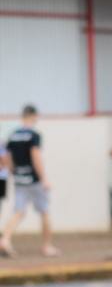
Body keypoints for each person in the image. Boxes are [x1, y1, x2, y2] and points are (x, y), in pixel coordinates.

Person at [0, 104, 58, 258]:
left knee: (18, 212)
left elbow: (6, 158)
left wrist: (14, 171)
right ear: (33, 116)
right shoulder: (34, 135)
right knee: (44, 212)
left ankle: (5, 239)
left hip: (20, 179)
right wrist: (44, 178)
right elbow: (36, 156)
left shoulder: (12, 135)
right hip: (34, 180)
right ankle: (47, 246)